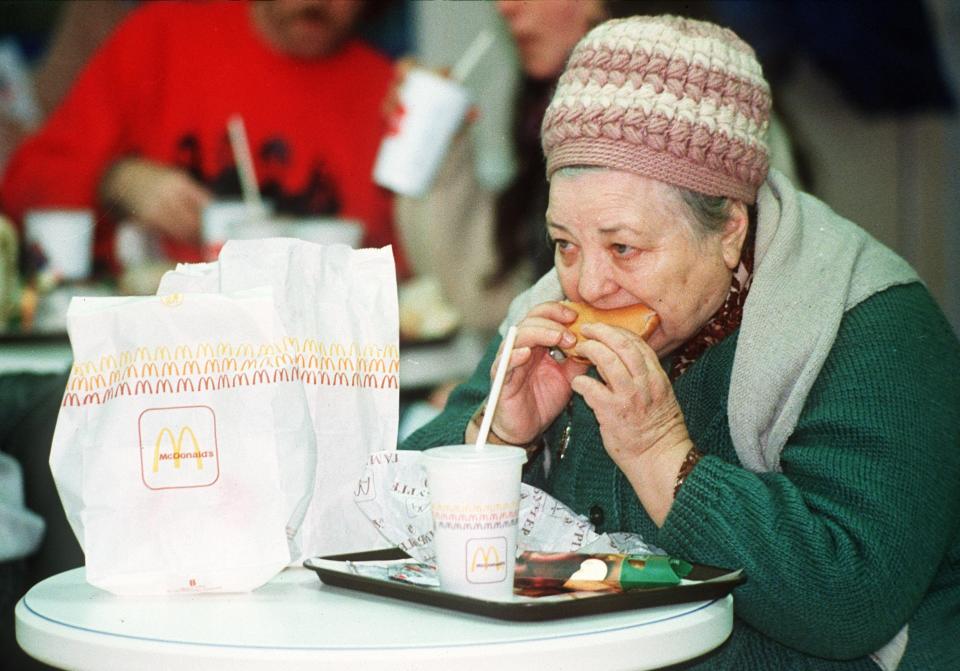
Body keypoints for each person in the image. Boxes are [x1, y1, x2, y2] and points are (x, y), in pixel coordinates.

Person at [402, 15, 960, 670]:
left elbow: (850, 599)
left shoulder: (873, 327)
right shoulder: (552, 314)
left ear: (728, 229)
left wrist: (662, 453)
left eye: (623, 247)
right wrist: (497, 436)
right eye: (564, 243)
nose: (587, 281)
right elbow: (397, 520)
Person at [0, 0, 407, 276]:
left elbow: (408, 278)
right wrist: (116, 181)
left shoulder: (388, 93)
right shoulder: (159, 36)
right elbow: (20, 192)